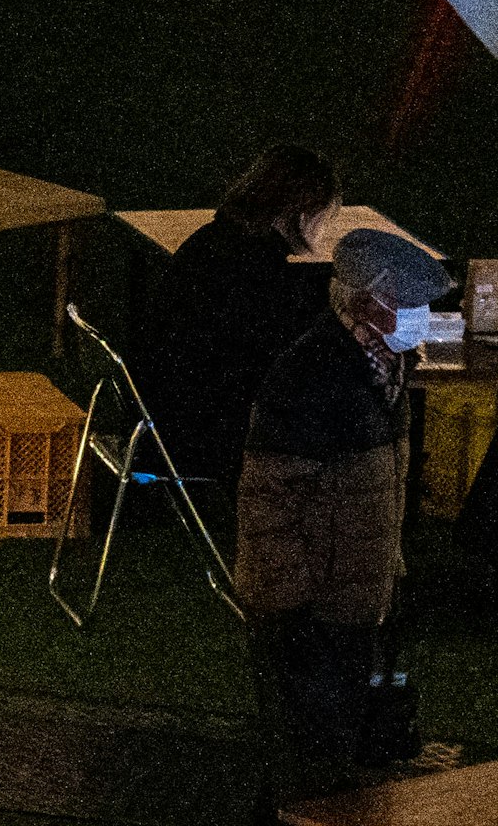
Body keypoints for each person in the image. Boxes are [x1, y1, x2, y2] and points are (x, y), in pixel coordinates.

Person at [239, 228, 455, 807]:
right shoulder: (307, 376)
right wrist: (290, 599)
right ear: (366, 305)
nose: (421, 318)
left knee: (336, 744)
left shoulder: (389, 370)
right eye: (409, 305)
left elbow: (384, 485)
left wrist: (389, 567)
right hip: (308, 606)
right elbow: (269, 498)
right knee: (302, 757)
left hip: (356, 594)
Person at [138, 146, 341, 490]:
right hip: (202, 432)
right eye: (326, 216)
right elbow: (276, 363)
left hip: (162, 416)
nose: (325, 229)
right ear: (302, 212)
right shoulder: (256, 268)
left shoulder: (215, 241)